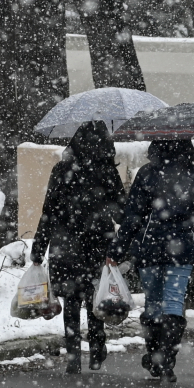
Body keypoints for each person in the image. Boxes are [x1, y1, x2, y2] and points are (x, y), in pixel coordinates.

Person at [106, 139, 194, 383]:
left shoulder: (147, 173)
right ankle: (168, 357)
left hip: (150, 248)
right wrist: (193, 210)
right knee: (174, 302)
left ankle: (154, 355)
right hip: (182, 249)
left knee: (153, 302)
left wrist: (117, 250)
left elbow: (133, 216)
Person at [30, 120, 125, 374]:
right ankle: (97, 347)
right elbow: (121, 213)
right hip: (98, 242)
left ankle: (73, 356)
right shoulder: (107, 172)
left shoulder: (62, 170)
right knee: (96, 295)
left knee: (72, 300)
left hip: (66, 244)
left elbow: (48, 212)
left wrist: (38, 249)